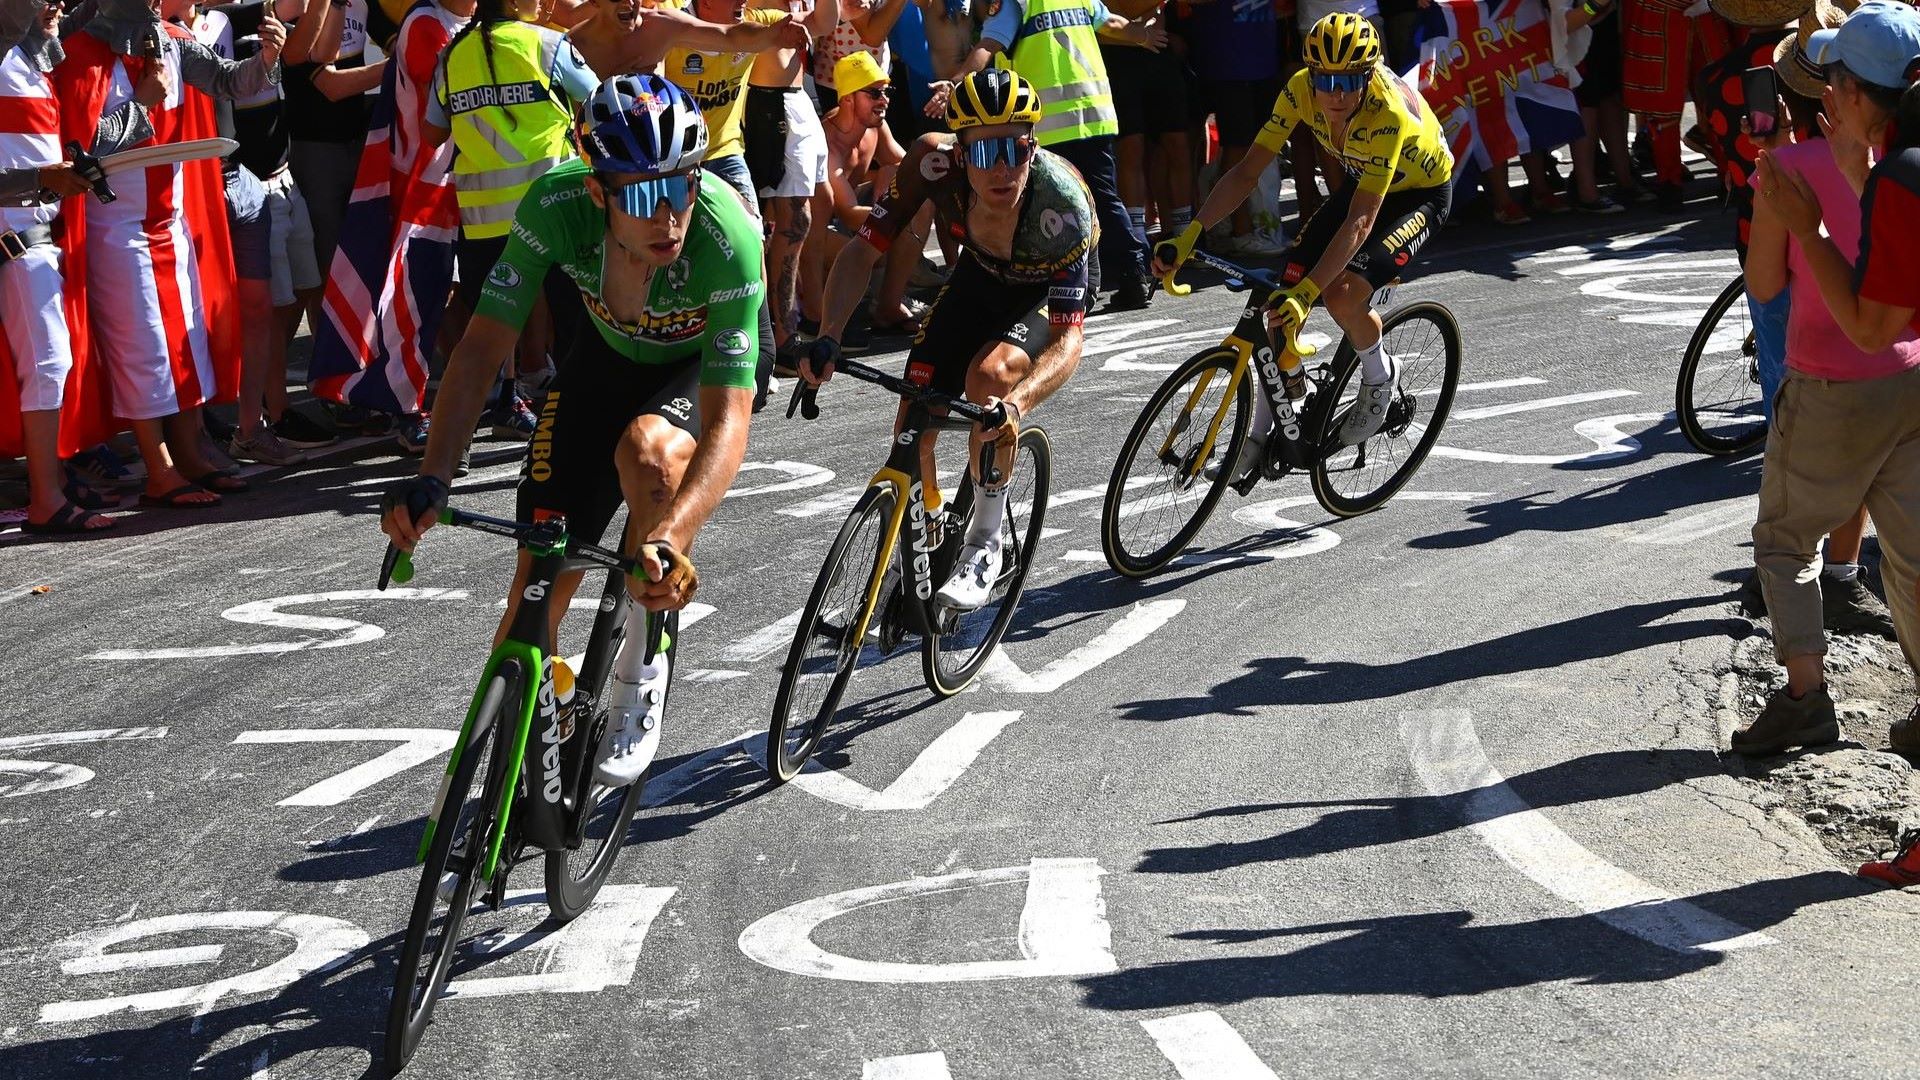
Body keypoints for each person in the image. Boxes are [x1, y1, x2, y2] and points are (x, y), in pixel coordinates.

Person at [382, 75, 762, 785]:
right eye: (645, 196)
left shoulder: (727, 237)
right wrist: (434, 475)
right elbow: (481, 350)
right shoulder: (556, 203)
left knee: (651, 457)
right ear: (600, 194)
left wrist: (671, 535)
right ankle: (509, 769)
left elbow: (728, 419)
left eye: (682, 186)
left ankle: (647, 648)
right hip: (605, 359)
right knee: (537, 581)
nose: (669, 218)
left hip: (693, 366)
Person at [801, 69, 1094, 610]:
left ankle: (985, 543)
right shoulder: (929, 164)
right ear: (960, 154)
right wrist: (828, 337)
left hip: (1040, 291)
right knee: (915, 408)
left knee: (989, 379)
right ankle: (925, 529)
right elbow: (863, 251)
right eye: (986, 154)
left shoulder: (1064, 206)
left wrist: (1017, 403)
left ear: (1034, 145)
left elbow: (1068, 338)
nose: (1003, 168)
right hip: (981, 275)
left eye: (1017, 149)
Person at [1154, 12, 1452, 478]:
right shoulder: (1297, 89)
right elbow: (1247, 171)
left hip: (1420, 195)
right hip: (1365, 183)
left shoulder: (1386, 113)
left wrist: (1309, 293)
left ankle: (1380, 379)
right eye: (1325, 79)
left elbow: (1360, 221)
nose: (1335, 93)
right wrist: (1190, 233)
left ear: (1369, 75)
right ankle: (1263, 434)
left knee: (1342, 293)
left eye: (1349, 80)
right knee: (1278, 299)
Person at [1745, 0, 1920, 756]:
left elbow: (1766, 287)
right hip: (1912, 384)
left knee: (1786, 542)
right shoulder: (1902, 165)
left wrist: (1793, 214)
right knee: (1912, 564)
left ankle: (1806, 698)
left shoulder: (1792, 170)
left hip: (1829, 386)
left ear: (1843, 92)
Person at [55, 0, 284, 510]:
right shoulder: (79, 53)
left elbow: (230, 80)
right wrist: (141, 101)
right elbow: (80, 152)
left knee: (184, 345)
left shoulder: (172, 42)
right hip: (115, 229)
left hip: (173, 222)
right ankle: (157, 469)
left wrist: (267, 57)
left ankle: (189, 455)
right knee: (146, 351)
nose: (157, 3)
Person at [424, 0, 599, 439]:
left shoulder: (452, 53)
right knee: (575, 325)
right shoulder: (548, 44)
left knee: (488, 335)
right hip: (552, 210)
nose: (546, 2)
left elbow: (431, 132)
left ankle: (461, 438)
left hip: (483, 219)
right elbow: (601, 102)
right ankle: (579, 423)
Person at [936, 0, 1164, 309]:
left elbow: (988, 45)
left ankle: (1050, 282)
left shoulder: (1016, 3)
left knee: (1039, 206)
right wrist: (1142, 36)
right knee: (1103, 198)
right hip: (1092, 118)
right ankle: (1132, 273)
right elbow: (1110, 23)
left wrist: (955, 82)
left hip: (1048, 129)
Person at [0, 0, 116, 535]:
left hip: (37, 242)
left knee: (50, 366)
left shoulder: (31, 60)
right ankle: (45, 494)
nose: (57, 4)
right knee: (48, 365)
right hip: (16, 245)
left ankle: (49, 485)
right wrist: (42, 181)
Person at [744, 0, 840, 365]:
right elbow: (776, 29)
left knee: (790, 222)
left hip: (795, 101)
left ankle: (781, 328)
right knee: (790, 223)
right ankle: (781, 336)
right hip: (770, 105)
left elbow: (824, 21)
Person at [805, 50, 921, 334]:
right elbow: (848, 212)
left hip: (855, 215)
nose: (885, 101)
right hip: (822, 231)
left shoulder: (876, 126)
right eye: (874, 94)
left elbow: (905, 163)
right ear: (847, 99)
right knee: (874, 246)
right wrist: (897, 215)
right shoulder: (827, 142)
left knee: (912, 184)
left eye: (886, 91)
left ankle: (888, 305)